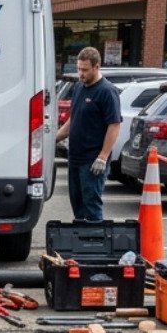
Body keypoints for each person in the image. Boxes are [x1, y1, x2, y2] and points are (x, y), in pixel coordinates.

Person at [54, 46, 121, 222]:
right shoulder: (79, 88)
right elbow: (73, 119)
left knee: (91, 205)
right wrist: (54, 139)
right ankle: (81, 236)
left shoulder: (107, 91)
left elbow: (114, 125)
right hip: (75, 157)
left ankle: (95, 237)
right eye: (79, 69)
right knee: (77, 204)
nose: (81, 74)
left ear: (96, 67)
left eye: (85, 70)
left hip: (92, 160)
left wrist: (103, 157)